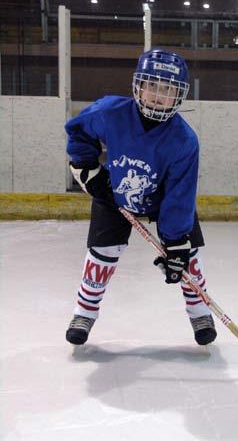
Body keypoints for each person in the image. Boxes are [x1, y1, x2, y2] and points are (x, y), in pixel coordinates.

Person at [65, 48, 217, 347]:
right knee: (102, 253)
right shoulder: (109, 112)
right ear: (139, 86)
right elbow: (78, 131)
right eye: (152, 86)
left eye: (168, 89)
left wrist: (175, 243)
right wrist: (86, 167)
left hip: (163, 199)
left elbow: (180, 194)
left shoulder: (184, 141)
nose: (158, 95)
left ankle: (200, 311)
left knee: (188, 257)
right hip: (115, 191)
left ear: (179, 95)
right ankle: (84, 311)